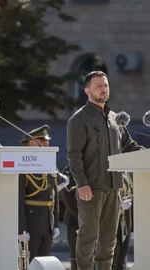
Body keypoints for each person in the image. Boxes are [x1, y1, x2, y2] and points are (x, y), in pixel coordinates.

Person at [67, 71, 143, 270]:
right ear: (87, 90)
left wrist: (147, 155)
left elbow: (129, 145)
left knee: (109, 240)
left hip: (114, 187)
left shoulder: (115, 118)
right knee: (88, 237)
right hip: (91, 188)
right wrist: (82, 184)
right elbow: (74, 155)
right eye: (98, 86)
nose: (103, 89)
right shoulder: (79, 119)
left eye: (106, 85)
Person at [18, 125, 60, 264]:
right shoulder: (23, 166)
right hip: (31, 221)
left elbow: (55, 197)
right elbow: (18, 200)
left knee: (44, 262)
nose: (46, 143)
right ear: (31, 142)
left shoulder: (50, 165)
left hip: (47, 221)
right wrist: (21, 229)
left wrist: (56, 224)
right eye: (42, 140)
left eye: (47, 140)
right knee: (28, 262)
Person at [112, 172, 133, 270]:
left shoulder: (127, 173)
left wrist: (132, 228)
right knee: (113, 253)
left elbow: (130, 195)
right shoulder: (111, 170)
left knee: (122, 254)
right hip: (112, 219)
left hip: (125, 221)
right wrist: (119, 205)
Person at [60, 164, 78, 270]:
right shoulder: (70, 169)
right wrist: (81, 216)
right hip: (74, 218)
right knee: (76, 254)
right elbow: (67, 196)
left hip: (91, 217)